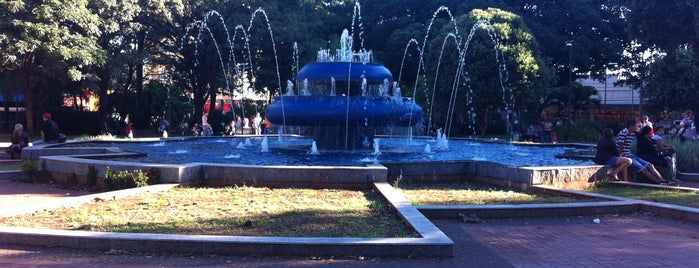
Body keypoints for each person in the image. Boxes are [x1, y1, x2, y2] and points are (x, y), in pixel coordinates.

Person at [617, 120, 669, 184]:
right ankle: (659, 183)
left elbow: (646, 136)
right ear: (631, 126)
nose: (638, 127)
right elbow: (620, 148)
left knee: (650, 165)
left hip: (630, 154)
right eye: (636, 126)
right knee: (643, 169)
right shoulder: (623, 133)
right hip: (625, 156)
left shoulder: (632, 133)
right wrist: (621, 159)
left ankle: (662, 180)